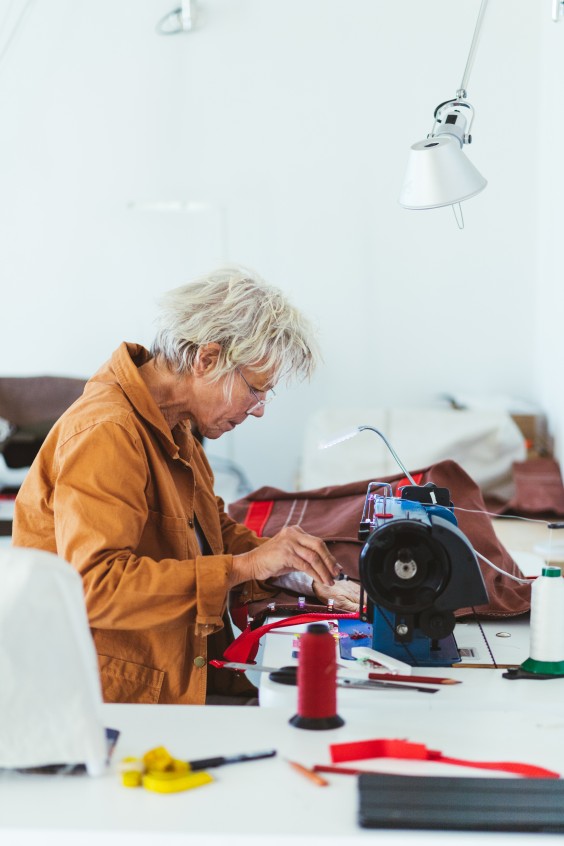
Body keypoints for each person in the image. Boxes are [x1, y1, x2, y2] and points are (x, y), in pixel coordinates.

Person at [12, 266, 359, 705]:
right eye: (255, 390)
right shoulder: (108, 432)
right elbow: (95, 587)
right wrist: (245, 568)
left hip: (177, 673)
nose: (259, 410)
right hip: (109, 696)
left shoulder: (175, 427)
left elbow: (213, 536)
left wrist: (303, 576)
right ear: (207, 359)